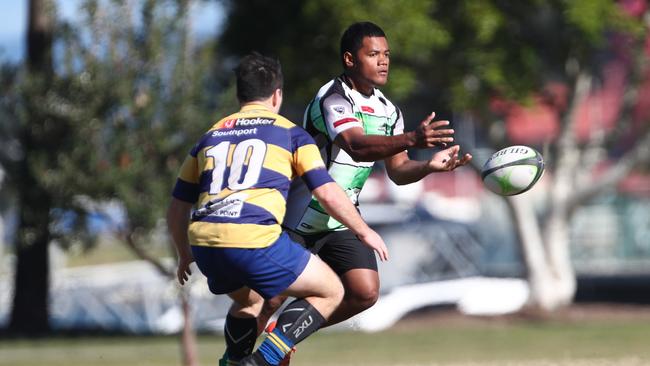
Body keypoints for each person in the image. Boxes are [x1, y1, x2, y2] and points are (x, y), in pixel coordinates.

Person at [166, 52, 388, 366]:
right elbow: (326, 192)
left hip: (206, 243)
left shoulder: (209, 137)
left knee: (250, 300)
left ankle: (233, 361)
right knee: (330, 291)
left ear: (239, 95)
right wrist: (363, 230)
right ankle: (262, 362)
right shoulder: (291, 134)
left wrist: (184, 253)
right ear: (277, 95)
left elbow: (177, 209)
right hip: (252, 239)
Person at [275, 21, 474, 330]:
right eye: (373, 54)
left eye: (387, 54)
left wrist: (428, 166)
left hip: (341, 217)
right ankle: (238, 358)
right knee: (269, 298)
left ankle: (280, 339)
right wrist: (411, 139)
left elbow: (398, 171)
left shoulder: (389, 111)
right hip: (299, 216)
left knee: (364, 292)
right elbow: (355, 146)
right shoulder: (333, 98)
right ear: (350, 60)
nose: (384, 61)